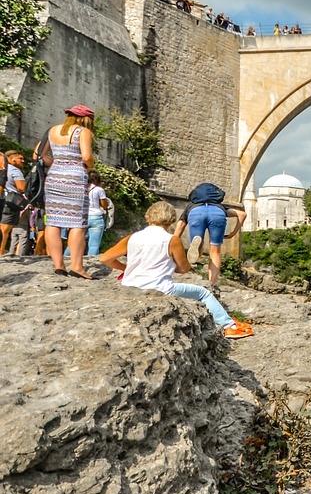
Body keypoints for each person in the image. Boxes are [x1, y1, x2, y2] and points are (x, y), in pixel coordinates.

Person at [100, 201, 253, 339]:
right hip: (160, 287)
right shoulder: (172, 240)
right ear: (172, 220)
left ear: (148, 217)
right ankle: (229, 326)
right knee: (203, 293)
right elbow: (184, 268)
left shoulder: (132, 237)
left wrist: (127, 269)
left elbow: (105, 259)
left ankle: (229, 325)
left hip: (130, 284)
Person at [42, 106, 95, 278]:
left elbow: (39, 155)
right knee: (77, 223)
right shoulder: (82, 131)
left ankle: (59, 266)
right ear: (86, 119)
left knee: (53, 221)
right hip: (75, 179)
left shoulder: (52, 130)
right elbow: (86, 157)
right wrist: (90, 167)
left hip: (54, 178)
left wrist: (58, 164)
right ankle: (77, 267)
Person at [174, 183, 247, 290]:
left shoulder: (191, 206)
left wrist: (174, 239)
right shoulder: (219, 206)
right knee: (215, 252)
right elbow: (242, 214)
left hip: (196, 213)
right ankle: (212, 284)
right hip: (217, 214)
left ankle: (199, 247)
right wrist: (233, 233)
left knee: (197, 247)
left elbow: (181, 224)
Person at [0, 149, 26, 255]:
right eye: (20, 158)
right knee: (4, 231)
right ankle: (1, 253)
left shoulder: (2, 168)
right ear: (11, 159)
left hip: (2, 200)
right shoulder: (14, 170)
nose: (22, 161)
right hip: (10, 202)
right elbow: (21, 188)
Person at [85, 171, 109, 257]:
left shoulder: (81, 188)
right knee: (93, 245)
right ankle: (90, 262)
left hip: (82, 217)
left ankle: (66, 259)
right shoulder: (99, 190)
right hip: (96, 218)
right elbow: (105, 205)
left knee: (76, 241)